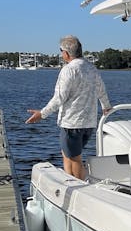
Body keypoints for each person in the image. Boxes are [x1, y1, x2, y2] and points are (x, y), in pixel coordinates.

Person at [25, 35, 111, 180]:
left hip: (72, 123)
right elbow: (101, 89)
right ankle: (70, 183)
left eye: (61, 51)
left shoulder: (68, 70)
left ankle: (82, 189)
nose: (61, 54)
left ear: (66, 53)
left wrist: (42, 114)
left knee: (75, 159)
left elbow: (59, 98)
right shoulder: (91, 68)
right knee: (68, 154)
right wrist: (106, 105)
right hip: (88, 122)